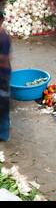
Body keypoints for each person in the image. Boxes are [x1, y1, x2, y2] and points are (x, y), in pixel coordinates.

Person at [0, 11, 11, 142]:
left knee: (2, 105)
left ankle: (4, 134)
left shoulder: (3, 38)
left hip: (2, 75)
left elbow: (5, 59)